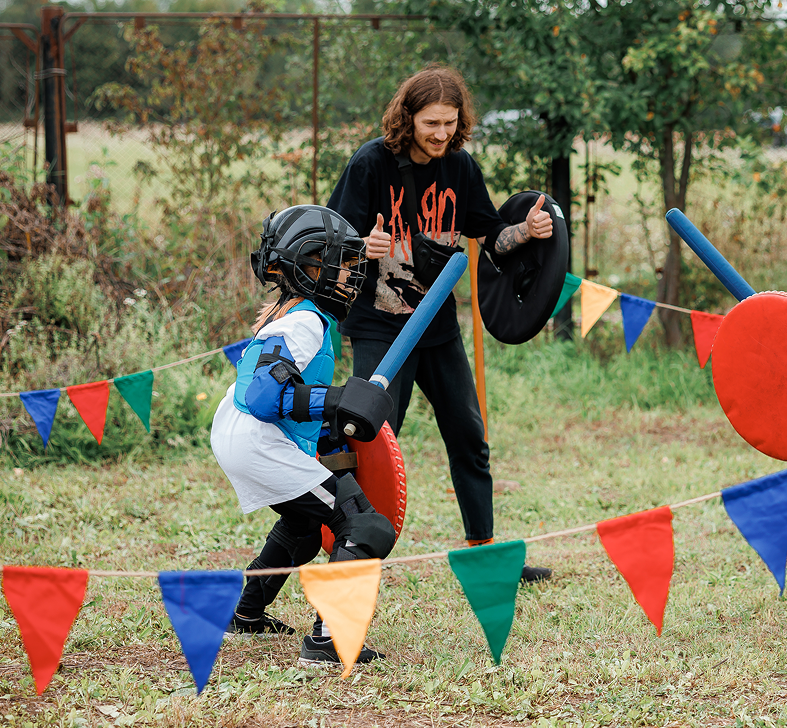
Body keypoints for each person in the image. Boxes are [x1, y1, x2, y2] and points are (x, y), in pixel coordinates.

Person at [326, 66, 553, 581]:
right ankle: (351, 559)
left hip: (437, 327)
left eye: (450, 123)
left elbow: (491, 235)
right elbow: (331, 238)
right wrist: (364, 247)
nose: (441, 134)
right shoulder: (370, 164)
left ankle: (484, 554)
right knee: (372, 444)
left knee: (469, 438)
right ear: (407, 118)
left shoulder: (461, 168)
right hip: (380, 327)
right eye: (431, 123)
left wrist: (526, 229)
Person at [210, 205, 398, 665]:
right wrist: (335, 400)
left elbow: (281, 393)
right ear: (310, 264)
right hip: (256, 438)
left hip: (239, 434)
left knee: (303, 523)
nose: (351, 274)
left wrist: (331, 419)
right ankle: (329, 639)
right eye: (344, 264)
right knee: (362, 524)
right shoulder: (306, 321)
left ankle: (246, 612)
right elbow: (260, 395)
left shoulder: (294, 313)